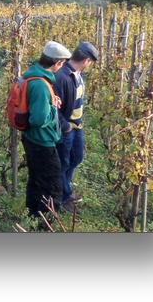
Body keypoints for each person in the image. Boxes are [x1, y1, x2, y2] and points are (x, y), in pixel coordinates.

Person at [21, 41, 72, 231]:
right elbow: (39, 119)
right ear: (57, 62)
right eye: (62, 64)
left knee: (35, 181)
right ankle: (44, 226)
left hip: (31, 139)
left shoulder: (34, 77)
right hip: (42, 141)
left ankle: (32, 218)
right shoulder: (41, 84)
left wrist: (50, 103)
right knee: (53, 188)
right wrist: (52, 107)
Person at [53, 41, 98, 215]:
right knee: (63, 163)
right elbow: (54, 107)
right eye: (90, 63)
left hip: (77, 126)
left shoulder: (77, 74)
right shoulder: (62, 76)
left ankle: (66, 188)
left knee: (76, 158)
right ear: (86, 60)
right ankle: (64, 197)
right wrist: (65, 126)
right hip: (68, 128)